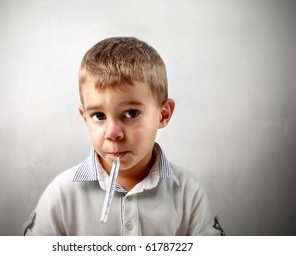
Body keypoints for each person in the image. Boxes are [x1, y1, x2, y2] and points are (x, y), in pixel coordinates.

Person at [22, 37, 225, 236]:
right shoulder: (62, 193)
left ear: (163, 114)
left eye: (131, 114)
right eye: (99, 116)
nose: (113, 134)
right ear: (85, 118)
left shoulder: (189, 192)